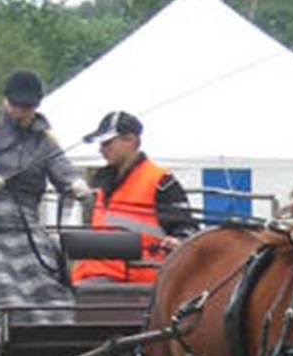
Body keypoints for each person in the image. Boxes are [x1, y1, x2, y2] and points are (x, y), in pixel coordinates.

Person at [0, 69, 92, 350]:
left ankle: (55, 342)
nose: (23, 113)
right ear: (5, 103)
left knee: (45, 279)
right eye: (18, 106)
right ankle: (0, 343)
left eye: (28, 108)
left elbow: (61, 168)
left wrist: (76, 183)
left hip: (25, 223)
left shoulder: (44, 143)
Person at [71, 110, 198, 285]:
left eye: (107, 143)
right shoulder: (101, 183)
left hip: (134, 283)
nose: (101, 150)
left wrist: (177, 241)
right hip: (94, 276)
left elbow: (187, 231)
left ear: (130, 140)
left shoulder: (160, 181)